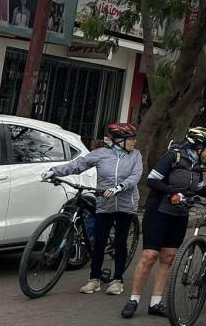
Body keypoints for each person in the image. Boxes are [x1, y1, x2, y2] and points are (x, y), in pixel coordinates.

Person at [120, 127, 206, 318]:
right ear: (198, 146)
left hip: (180, 213)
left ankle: (156, 303)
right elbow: (152, 180)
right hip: (159, 211)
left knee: (169, 257)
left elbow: (197, 187)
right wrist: (172, 192)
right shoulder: (174, 156)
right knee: (149, 256)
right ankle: (133, 300)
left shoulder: (197, 164)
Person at [42, 123, 143, 296]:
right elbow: (78, 164)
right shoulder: (100, 154)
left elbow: (135, 176)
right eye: (130, 139)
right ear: (118, 141)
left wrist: (120, 187)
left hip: (126, 204)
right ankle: (94, 279)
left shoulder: (136, 156)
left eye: (134, 139)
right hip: (104, 203)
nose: (134, 142)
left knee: (120, 241)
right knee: (99, 240)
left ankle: (117, 280)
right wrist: (54, 171)